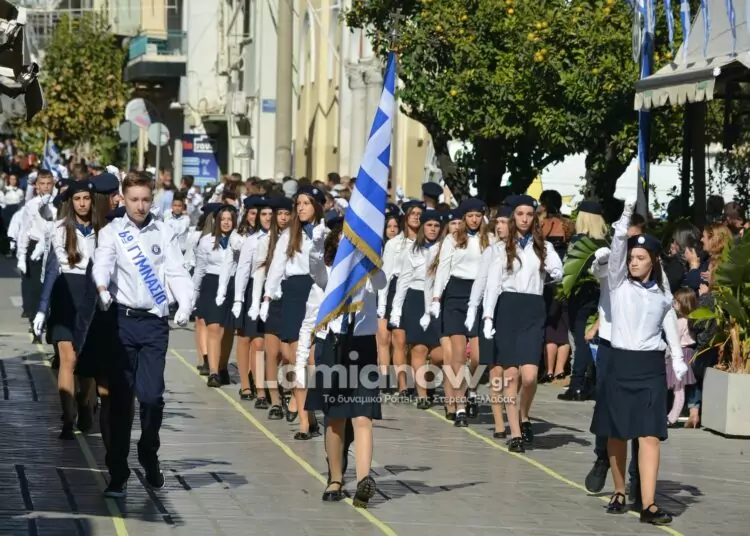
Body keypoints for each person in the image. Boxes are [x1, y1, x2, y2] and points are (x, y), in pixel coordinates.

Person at [92, 171, 193, 498]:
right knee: (121, 401)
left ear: (152, 199)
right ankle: (118, 472)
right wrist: (102, 287)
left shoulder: (163, 231)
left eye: (145, 199)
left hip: (153, 324)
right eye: (133, 199)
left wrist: (185, 303)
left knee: (151, 397)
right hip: (121, 321)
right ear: (123, 198)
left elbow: (176, 271)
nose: (139, 206)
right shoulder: (112, 232)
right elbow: (102, 262)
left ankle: (148, 450)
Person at [590, 198, 686, 525]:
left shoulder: (661, 293)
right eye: (632, 258)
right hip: (620, 363)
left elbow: (669, 321)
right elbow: (618, 251)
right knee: (618, 434)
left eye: (641, 258)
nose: (633, 262)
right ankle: (619, 491)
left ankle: (649, 504)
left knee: (649, 435)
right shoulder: (618, 284)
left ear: (653, 261)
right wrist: (625, 219)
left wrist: (677, 359)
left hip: (650, 368)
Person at [304, 217, 387, 508]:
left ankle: (364, 479)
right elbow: (316, 270)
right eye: (344, 237)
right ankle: (336, 479)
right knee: (335, 416)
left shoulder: (367, 269)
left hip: (362, 346)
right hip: (333, 344)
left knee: (363, 416)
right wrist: (316, 242)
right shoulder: (330, 271)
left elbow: (381, 282)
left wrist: (370, 259)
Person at [482, 195, 563, 452]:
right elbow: (493, 285)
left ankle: (524, 414)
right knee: (510, 374)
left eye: (529, 214)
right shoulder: (502, 247)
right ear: (513, 217)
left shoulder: (543, 246)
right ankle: (515, 433)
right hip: (508, 307)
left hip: (533, 308)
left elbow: (558, 271)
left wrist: (553, 270)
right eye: (520, 214)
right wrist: (488, 316)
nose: (524, 219)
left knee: (529, 377)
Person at [666, 288, 698, 427]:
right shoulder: (691, 321)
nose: (673, 304)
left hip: (680, 354)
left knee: (678, 389)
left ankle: (672, 417)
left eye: (676, 302)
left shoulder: (680, 322)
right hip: (688, 353)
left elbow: (674, 341)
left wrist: (666, 354)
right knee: (679, 388)